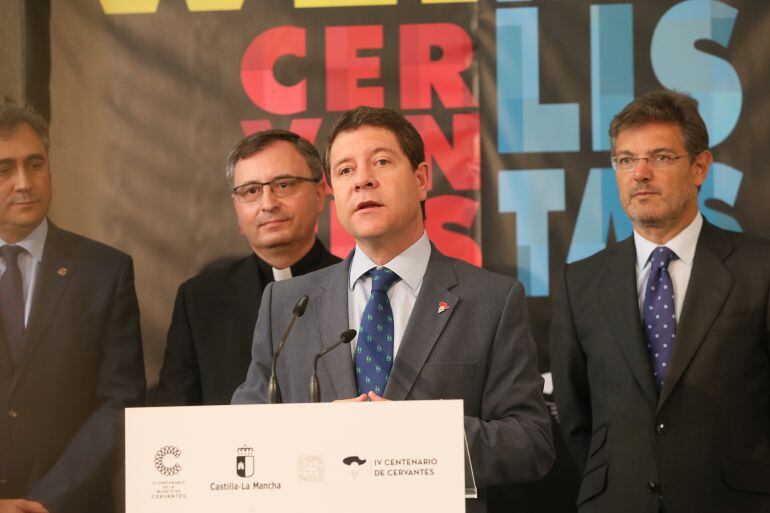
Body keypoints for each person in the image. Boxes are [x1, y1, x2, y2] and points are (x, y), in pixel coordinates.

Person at [232, 107, 554, 512]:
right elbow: (243, 432)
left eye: (381, 162)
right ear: (333, 192)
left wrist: (418, 436)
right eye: (345, 171)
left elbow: (531, 442)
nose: (363, 179)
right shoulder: (287, 303)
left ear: (421, 179)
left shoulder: (491, 299)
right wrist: (314, 435)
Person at [551, 90, 770, 513]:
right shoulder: (580, 281)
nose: (640, 173)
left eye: (661, 157)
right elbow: (578, 420)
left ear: (699, 167)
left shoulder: (760, 269)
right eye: (626, 160)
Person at [0, 103, 146, 513]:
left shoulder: (105, 270)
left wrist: (46, 501)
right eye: (4, 169)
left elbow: (119, 401)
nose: (25, 183)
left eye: (35, 163)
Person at [154, 130, 339, 406]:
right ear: (236, 209)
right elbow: (174, 415)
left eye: (284, 185)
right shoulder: (199, 300)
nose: (268, 204)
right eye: (251, 191)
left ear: (320, 194)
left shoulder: (357, 286)